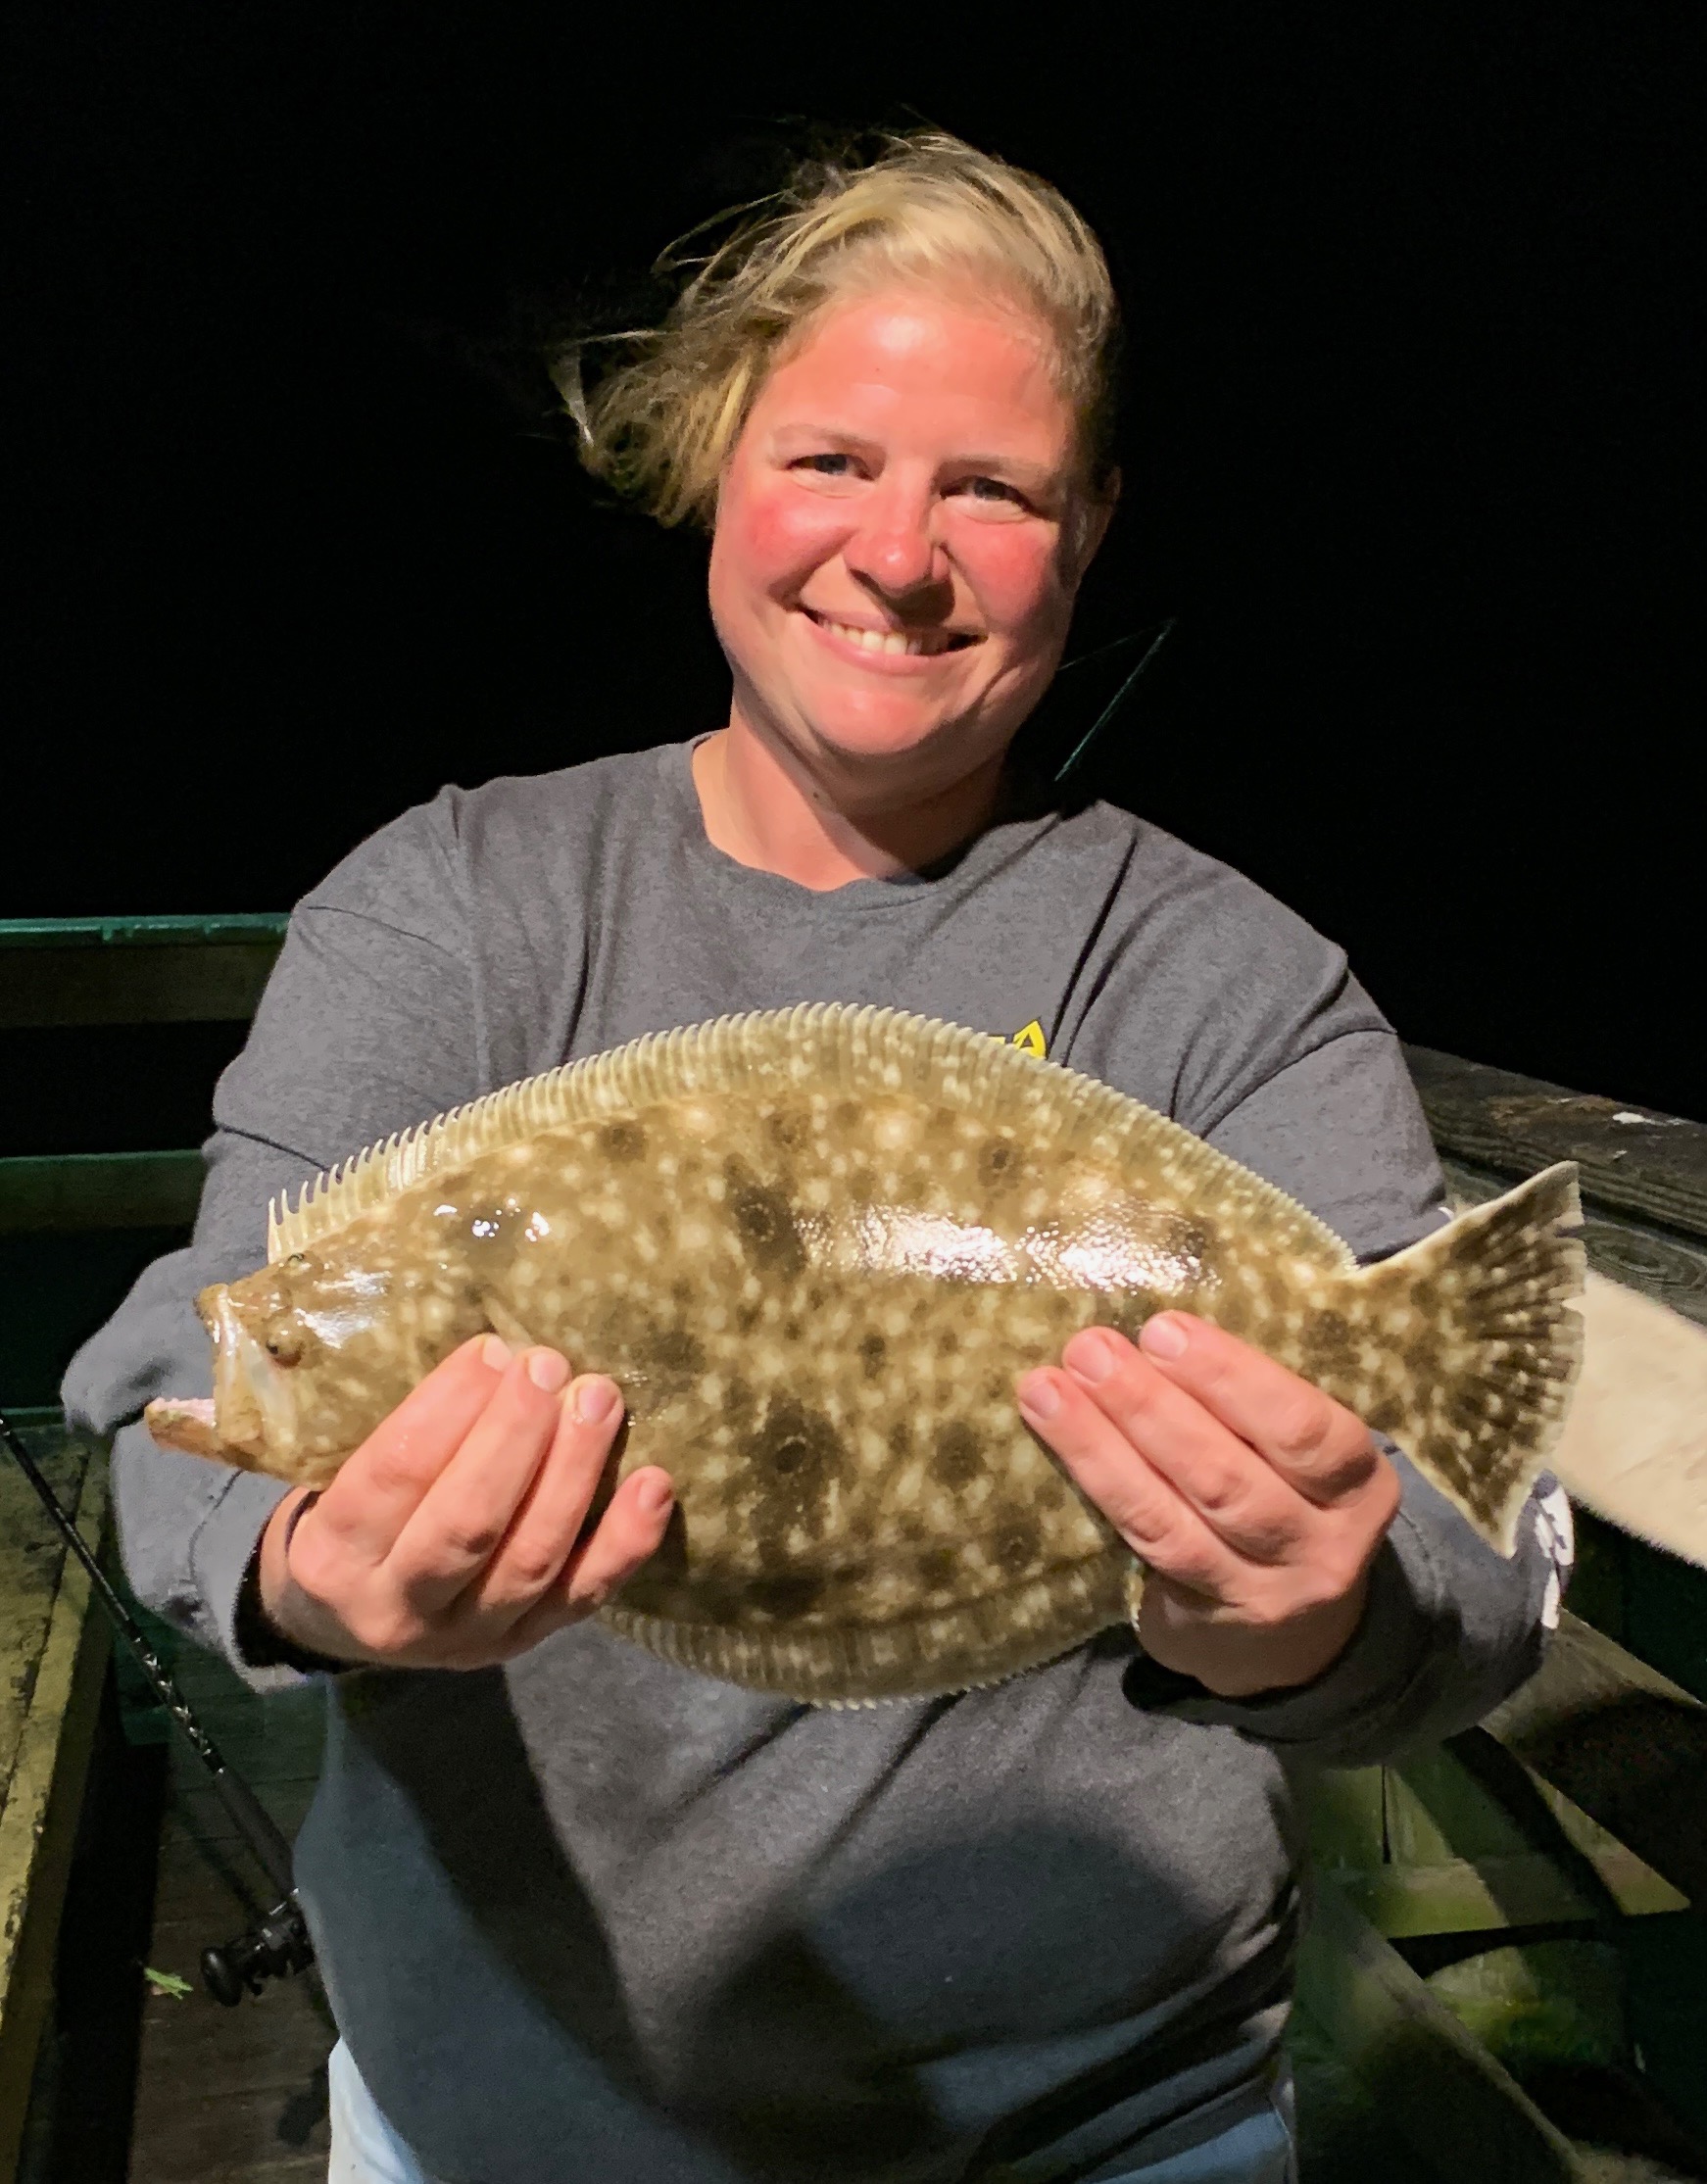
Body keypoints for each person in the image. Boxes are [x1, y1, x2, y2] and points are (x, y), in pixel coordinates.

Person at [68, 131, 1567, 2184]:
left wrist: (1298, 1617)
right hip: (499, 2115)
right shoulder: (455, 907)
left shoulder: (1229, 982)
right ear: (714, 467)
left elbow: (1469, 1559)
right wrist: (306, 1573)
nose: (899, 552)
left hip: (1109, 2125)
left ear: (1089, 527)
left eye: (994, 489)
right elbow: (179, 1381)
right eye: (830, 459)